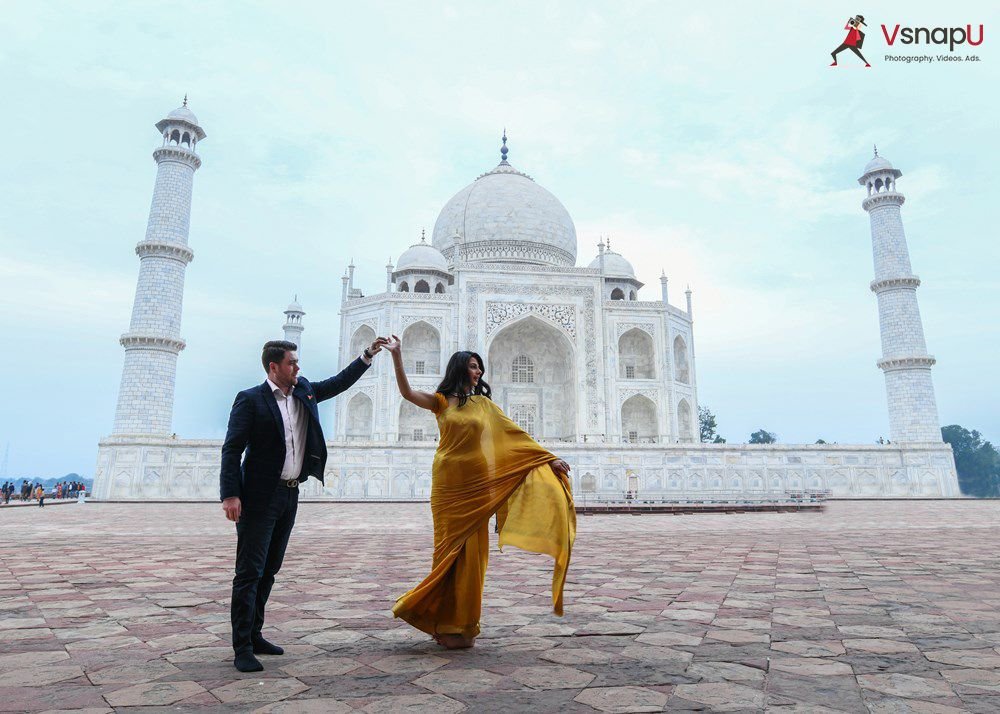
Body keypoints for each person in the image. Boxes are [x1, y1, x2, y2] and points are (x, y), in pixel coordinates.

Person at [385, 336, 576, 649]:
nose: (478, 372)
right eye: (473, 367)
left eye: (479, 368)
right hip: (448, 485)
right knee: (446, 553)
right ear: (460, 368)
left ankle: (462, 623)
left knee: (474, 556)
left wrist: (547, 457)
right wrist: (397, 356)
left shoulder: (484, 405)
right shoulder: (441, 401)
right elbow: (406, 393)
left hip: (477, 487)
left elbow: (514, 434)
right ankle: (441, 621)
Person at [220, 337, 387, 673]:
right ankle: (241, 647)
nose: (298, 367)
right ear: (273, 367)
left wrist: (367, 356)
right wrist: (230, 495)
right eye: (292, 363)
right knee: (249, 572)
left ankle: (255, 634)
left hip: (289, 494)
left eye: (297, 362)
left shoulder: (304, 391)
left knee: (269, 569)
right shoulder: (250, 400)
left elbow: (338, 383)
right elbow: (232, 449)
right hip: (258, 497)